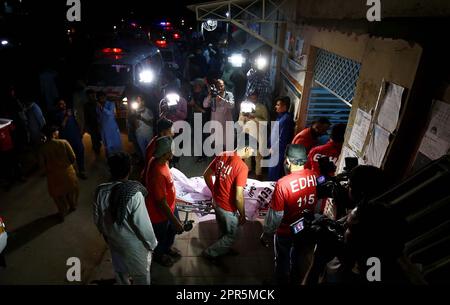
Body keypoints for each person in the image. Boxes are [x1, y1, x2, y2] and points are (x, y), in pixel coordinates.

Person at [94, 152, 158, 285]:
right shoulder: (133, 194)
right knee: (141, 276)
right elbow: (143, 226)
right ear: (130, 169)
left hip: (114, 242)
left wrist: (108, 236)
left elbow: (98, 219)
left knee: (121, 273)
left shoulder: (100, 191)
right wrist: (152, 244)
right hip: (134, 246)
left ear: (110, 170)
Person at [260, 144, 319, 285]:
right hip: (304, 226)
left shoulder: (283, 183)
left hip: (285, 230)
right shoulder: (314, 176)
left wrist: (267, 233)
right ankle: (295, 278)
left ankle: (280, 282)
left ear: (287, 161)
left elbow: (276, 214)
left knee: (282, 257)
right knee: (298, 253)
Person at [201, 136, 254, 263]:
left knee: (224, 229)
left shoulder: (222, 155)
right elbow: (238, 197)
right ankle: (211, 253)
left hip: (217, 202)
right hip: (227, 207)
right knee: (232, 234)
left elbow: (206, 174)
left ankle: (222, 249)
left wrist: (214, 192)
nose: (252, 154)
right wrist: (242, 214)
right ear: (246, 148)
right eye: (252, 151)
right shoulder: (242, 167)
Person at [145, 137, 184, 267]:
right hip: (159, 213)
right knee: (160, 238)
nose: (173, 152)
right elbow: (161, 202)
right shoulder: (157, 173)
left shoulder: (162, 162)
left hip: (171, 205)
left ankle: (167, 248)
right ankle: (159, 256)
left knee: (171, 231)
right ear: (166, 153)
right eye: (171, 150)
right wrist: (174, 220)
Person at [39, 125, 79, 222]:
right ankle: (72, 206)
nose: (58, 132)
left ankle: (62, 213)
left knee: (58, 196)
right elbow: (73, 157)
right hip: (68, 173)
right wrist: (69, 165)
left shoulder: (43, 148)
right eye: (57, 131)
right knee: (71, 191)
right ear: (54, 133)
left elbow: (41, 165)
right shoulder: (63, 142)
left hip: (53, 176)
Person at [238, 91, 269, 180]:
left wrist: (254, 118)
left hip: (259, 134)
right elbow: (240, 121)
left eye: (255, 97)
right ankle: (248, 170)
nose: (253, 98)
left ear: (257, 97)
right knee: (247, 152)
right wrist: (244, 118)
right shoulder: (244, 106)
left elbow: (266, 122)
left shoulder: (262, 107)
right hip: (247, 132)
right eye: (251, 97)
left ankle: (258, 173)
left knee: (258, 155)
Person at [54, 99, 87, 179]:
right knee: (69, 156)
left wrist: (81, 131)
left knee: (80, 151)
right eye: (61, 104)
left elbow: (76, 121)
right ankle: (72, 172)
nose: (64, 105)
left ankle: (82, 171)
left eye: (64, 103)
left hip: (76, 136)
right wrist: (66, 116)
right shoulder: (57, 115)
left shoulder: (70, 112)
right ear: (58, 106)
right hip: (66, 139)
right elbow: (62, 126)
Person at [268, 96, 295, 181]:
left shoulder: (286, 119)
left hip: (279, 151)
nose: (276, 106)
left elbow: (283, 138)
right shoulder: (280, 117)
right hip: (274, 149)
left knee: (274, 173)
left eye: (278, 105)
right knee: (271, 171)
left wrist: (274, 148)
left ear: (284, 107)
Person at [203, 79, 235, 150]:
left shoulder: (229, 94)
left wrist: (221, 99)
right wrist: (209, 95)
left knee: (227, 146)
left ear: (224, 86)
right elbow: (205, 105)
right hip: (215, 123)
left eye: (222, 86)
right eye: (218, 86)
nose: (220, 88)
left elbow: (232, 105)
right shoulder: (213, 95)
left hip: (226, 123)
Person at [187, 79, 208, 163]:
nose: (194, 86)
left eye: (195, 85)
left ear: (199, 86)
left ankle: (203, 156)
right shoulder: (194, 93)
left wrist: (193, 104)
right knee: (197, 137)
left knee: (201, 138)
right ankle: (200, 154)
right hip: (195, 117)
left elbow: (204, 110)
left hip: (201, 118)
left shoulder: (203, 95)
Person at [128, 95, 154, 161]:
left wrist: (142, 118)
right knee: (143, 151)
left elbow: (151, 124)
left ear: (143, 102)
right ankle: (146, 165)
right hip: (139, 135)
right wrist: (133, 116)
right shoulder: (134, 112)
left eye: (139, 101)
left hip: (148, 134)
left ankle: (151, 165)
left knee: (150, 151)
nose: (137, 102)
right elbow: (133, 124)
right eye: (136, 101)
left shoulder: (148, 111)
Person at [97, 91, 123, 156]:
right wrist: (100, 126)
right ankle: (110, 159)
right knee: (107, 144)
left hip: (112, 127)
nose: (102, 99)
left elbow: (110, 114)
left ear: (105, 97)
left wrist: (102, 108)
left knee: (116, 143)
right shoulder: (97, 107)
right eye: (100, 98)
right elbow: (99, 117)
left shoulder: (111, 104)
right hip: (104, 129)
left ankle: (119, 157)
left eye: (103, 97)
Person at [84, 89, 102, 155]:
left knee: (99, 137)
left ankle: (98, 145)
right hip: (92, 124)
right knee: (94, 138)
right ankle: (96, 149)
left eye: (93, 95)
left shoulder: (98, 103)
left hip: (99, 124)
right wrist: (86, 126)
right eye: (91, 95)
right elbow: (86, 116)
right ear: (88, 96)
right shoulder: (86, 105)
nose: (93, 96)